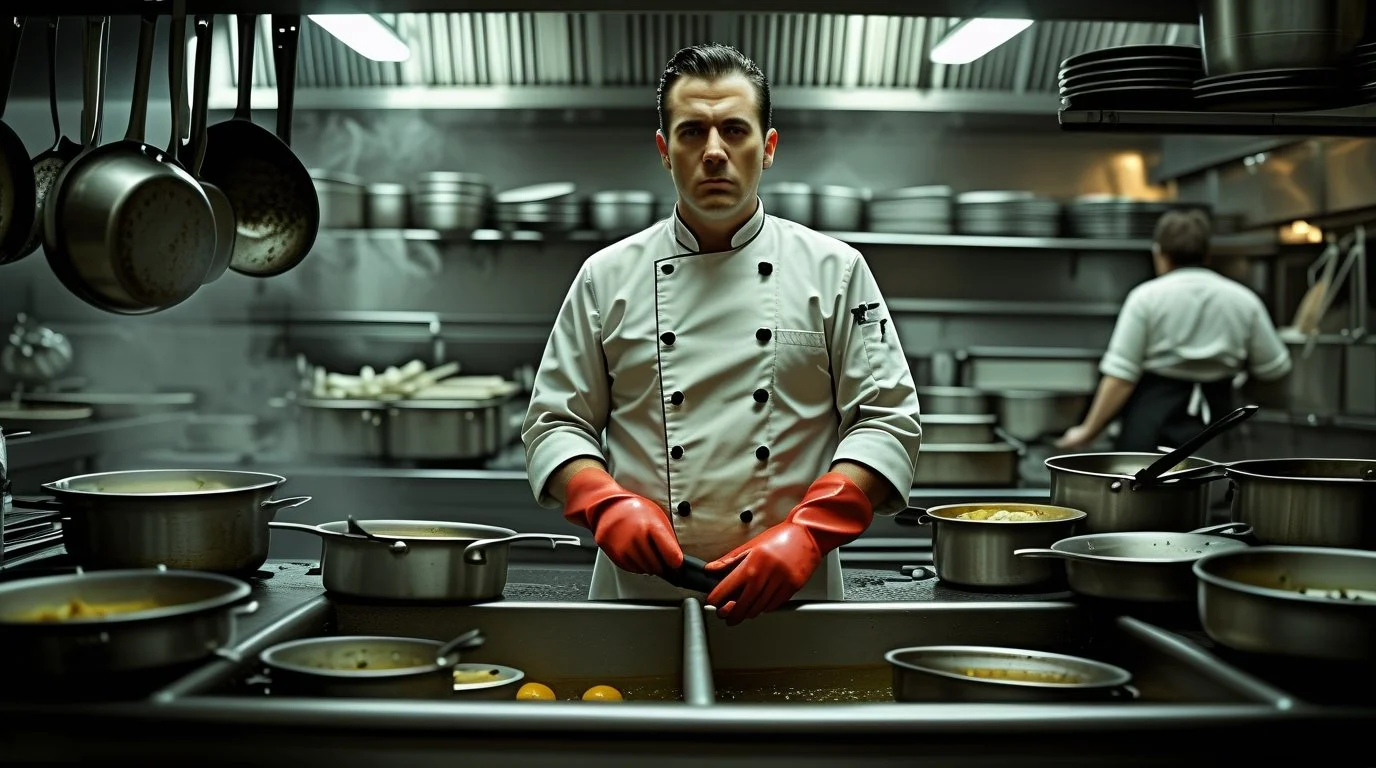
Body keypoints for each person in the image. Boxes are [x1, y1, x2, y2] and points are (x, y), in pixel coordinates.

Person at [521, 43, 921, 625]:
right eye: (691, 132)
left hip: (793, 600)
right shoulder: (605, 277)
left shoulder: (836, 271)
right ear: (665, 151)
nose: (714, 152)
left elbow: (887, 421)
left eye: (734, 130)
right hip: (640, 598)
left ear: (769, 146)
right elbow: (555, 423)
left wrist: (809, 533)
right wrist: (603, 503)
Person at [1056, 208, 1291, 452]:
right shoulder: (1243, 300)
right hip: (1218, 423)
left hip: (1152, 423)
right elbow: (1275, 368)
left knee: (1146, 477)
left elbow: (1121, 377)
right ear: (1206, 254)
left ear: (1160, 254)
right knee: (1214, 476)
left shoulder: (1146, 297)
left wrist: (1087, 431)